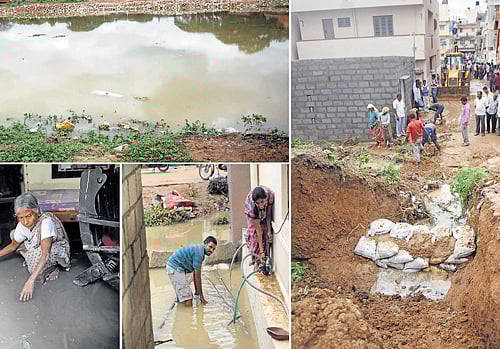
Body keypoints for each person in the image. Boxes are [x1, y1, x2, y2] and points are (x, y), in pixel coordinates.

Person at [0, 192, 70, 301]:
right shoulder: (22, 225)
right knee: (14, 234)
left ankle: (54, 267)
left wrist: (30, 281)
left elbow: (45, 254)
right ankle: (34, 257)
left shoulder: (46, 222)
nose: (25, 221)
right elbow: (13, 246)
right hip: (37, 244)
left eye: (29, 216)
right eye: (21, 217)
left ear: (36, 210)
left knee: (37, 271)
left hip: (52, 249)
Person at [167, 236, 217, 306]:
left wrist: (197, 292)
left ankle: (181, 311)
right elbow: (197, 277)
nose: (211, 250)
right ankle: (187, 315)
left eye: (213, 249)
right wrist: (202, 297)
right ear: (205, 244)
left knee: (184, 297)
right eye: (210, 247)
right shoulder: (199, 254)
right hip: (175, 268)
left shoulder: (200, 250)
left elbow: (194, 272)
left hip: (177, 268)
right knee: (188, 299)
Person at [244, 186, 274, 266]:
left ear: (265, 198)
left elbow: (268, 215)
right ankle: (255, 258)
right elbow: (258, 232)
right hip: (251, 215)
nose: (260, 205)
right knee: (254, 236)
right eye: (258, 203)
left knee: (265, 232)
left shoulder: (270, 196)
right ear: (255, 202)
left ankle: (263, 258)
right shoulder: (251, 207)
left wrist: (269, 231)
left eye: (262, 202)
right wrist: (261, 251)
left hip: (263, 209)